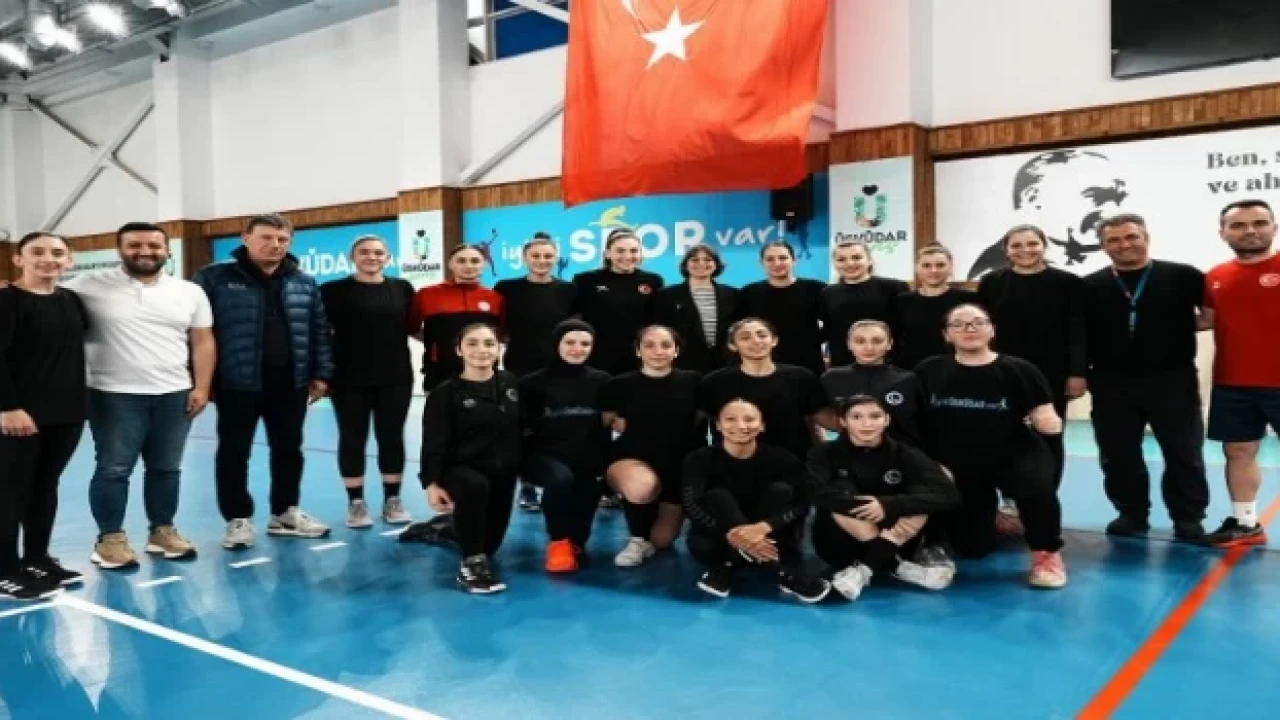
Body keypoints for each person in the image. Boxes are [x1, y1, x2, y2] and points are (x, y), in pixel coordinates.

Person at [64, 223, 214, 571]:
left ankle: (162, 531)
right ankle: (109, 540)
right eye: (135, 245)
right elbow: (40, 295)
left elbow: (203, 341)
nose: (145, 251)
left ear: (167, 251)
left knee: (166, 468)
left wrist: (202, 386)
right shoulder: (86, 285)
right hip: (112, 394)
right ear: (119, 250)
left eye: (153, 245)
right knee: (114, 468)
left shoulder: (189, 292)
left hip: (174, 393)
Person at [193, 213, 335, 550]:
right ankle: (237, 518)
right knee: (234, 451)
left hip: (290, 381)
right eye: (267, 238)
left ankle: (284, 512)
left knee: (289, 449)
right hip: (236, 381)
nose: (275, 245)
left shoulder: (303, 281)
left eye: (282, 239)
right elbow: (196, 332)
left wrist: (321, 374)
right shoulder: (214, 278)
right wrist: (201, 380)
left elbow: (319, 331)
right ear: (245, 238)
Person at [914, 303, 1068, 589]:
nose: (969, 328)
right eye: (958, 324)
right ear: (947, 335)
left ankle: (1046, 553)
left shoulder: (1020, 370)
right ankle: (993, 518)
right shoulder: (929, 370)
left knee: (1036, 489)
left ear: (992, 330)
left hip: (1011, 455)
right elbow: (915, 419)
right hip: (959, 464)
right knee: (972, 548)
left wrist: (1047, 439)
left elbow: (1047, 420)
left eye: (978, 322)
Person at [1081, 213, 1209, 540]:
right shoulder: (1088, 285)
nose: (1124, 245)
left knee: (1183, 451)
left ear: (1146, 238)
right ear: (1103, 246)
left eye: (1131, 237)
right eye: (1114, 240)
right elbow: (1079, 335)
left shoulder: (1184, 276)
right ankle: (1131, 513)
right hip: (1111, 382)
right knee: (1117, 452)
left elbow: (1210, 316)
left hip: (1172, 379)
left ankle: (1188, 517)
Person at [806, 395, 962, 601]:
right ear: (842, 421)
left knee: (928, 486)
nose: (866, 424)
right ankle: (896, 566)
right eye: (856, 417)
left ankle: (863, 570)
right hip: (839, 545)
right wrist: (864, 505)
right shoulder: (824, 453)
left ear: (887, 420)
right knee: (839, 491)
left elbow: (950, 496)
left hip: (897, 539)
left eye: (875, 416)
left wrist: (887, 504)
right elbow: (812, 491)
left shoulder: (905, 453)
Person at [0, 232, 86, 600]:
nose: (47, 258)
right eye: (37, 252)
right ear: (18, 259)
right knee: (10, 491)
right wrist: (7, 407)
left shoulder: (71, 300)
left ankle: (37, 558)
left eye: (57, 252)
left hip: (65, 412)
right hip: (18, 414)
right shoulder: (6, 301)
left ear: (68, 261)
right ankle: (5, 570)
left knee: (44, 487)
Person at [682, 399, 831, 603]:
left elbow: (805, 502)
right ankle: (781, 573)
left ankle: (726, 568)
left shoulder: (782, 458)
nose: (741, 426)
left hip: (774, 540)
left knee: (781, 491)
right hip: (717, 542)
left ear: (762, 426)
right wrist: (734, 534)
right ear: (718, 425)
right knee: (717, 497)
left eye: (749, 419)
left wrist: (764, 527)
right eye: (730, 419)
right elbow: (691, 505)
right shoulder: (698, 459)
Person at [977, 224, 1088, 488]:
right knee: (1001, 434)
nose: (1025, 250)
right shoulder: (992, 283)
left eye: (1032, 244)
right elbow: (982, 328)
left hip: (1051, 371)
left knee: (1047, 433)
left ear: (1044, 246)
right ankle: (1008, 501)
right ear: (1006, 250)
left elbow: (1078, 330)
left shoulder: (1068, 283)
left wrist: (1078, 372)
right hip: (1001, 371)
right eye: (1016, 245)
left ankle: (1046, 496)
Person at [319, 235, 416, 530]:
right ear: (352, 257)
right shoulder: (332, 291)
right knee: (352, 438)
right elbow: (320, 335)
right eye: (364, 252)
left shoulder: (402, 288)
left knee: (391, 437)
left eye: (378, 252)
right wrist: (320, 374)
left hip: (395, 376)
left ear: (388, 257)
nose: (371, 257)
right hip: (349, 378)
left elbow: (415, 328)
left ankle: (392, 499)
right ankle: (356, 502)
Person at [419, 323, 523, 594]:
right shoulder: (445, 393)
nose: (482, 350)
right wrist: (432, 483)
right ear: (459, 350)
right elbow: (433, 442)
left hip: (502, 472)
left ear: (499, 349)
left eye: (489, 343)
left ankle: (442, 530)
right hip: (461, 469)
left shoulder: (510, 383)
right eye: (472, 343)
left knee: (489, 546)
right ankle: (471, 567)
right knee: (475, 490)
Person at [1201, 199, 1280, 548]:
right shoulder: (1215, 276)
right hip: (1233, 382)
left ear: (1274, 227)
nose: (1250, 230)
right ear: (1223, 233)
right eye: (1238, 225)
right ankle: (1247, 523)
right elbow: (1206, 320)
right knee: (1238, 451)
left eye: (1259, 223)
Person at [600, 325, 704, 567]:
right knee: (642, 487)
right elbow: (604, 426)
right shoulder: (618, 385)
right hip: (632, 462)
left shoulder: (694, 382)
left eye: (666, 345)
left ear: (676, 350)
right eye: (649, 345)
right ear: (638, 351)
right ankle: (637, 539)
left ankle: (653, 530)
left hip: (676, 466)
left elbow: (703, 420)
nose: (658, 351)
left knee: (661, 541)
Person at [518, 320, 612, 572]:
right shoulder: (531, 384)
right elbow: (518, 427)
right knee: (560, 479)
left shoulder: (602, 381)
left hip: (585, 454)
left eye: (585, 344)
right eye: (570, 342)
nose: (577, 349)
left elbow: (607, 425)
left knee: (589, 485)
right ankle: (558, 540)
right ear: (556, 344)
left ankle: (576, 542)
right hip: (544, 456)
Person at [494, 233, 577, 513]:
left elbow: (574, 329)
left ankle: (559, 479)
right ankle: (527, 484)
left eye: (548, 256)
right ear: (525, 258)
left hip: (557, 368)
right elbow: (497, 326)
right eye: (536, 256)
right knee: (524, 426)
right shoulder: (507, 288)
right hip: (519, 367)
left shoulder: (568, 290)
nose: (542, 261)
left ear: (556, 258)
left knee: (557, 424)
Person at [699, 318, 834, 462]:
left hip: (792, 461)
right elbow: (698, 421)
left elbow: (825, 418)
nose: (756, 341)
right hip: (733, 462)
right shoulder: (714, 382)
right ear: (732, 345)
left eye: (762, 335)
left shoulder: (801, 377)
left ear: (774, 340)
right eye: (745, 337)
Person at [411, 244, 505, 394]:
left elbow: (503, 333)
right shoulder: (427, 294)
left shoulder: (495, 298)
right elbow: (412, 327)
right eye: (461, 261)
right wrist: (437, 345)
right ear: (450, 264)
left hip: (484, 374)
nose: (468, 266)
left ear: (484, 265)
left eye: (475, 261)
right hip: (439, 373)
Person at [572, 228, 665, 375]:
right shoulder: (585, 280)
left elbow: (658, 321)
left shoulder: (653, 281)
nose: (627, 256)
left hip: (639, 357)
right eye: (620, 251)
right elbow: (574, 319)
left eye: (633, 251)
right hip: (597, 358)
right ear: (608, 254)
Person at [820, 320, 925, 446]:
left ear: (889, 344)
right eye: (860, 341)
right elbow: (819, 417)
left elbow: (924, 423)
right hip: (849, 452)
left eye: (877, 341)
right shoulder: (831, 379)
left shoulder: (909, 380)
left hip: (901, 451)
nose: (869, 347)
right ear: (849, 344)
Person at [735, 241, 826, 377]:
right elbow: (740, 331)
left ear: (794, 260)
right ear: (761, 263)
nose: (777, 263)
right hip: (763, 365)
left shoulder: (816, 289)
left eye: (783, 258)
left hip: (809, 364)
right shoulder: (749, 293)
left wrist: (813, 340)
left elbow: (832, 324)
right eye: (770, 259)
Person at [819, 241, 910, 368]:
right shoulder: (828, 293)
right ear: (834, 263)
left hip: (890, 365)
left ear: (869, 260)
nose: (850, 263)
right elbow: (828, 330)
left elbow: (905, 328)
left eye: (856, 257)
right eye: (841, 259)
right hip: (843, 366)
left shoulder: (894, 288)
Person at [652, 244, 737, 375]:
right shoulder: (666, 295)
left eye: (708, 259)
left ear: (716, 264)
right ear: (685, 265)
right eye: (695, 260)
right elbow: (660, 330)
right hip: (684, 364)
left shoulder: (733, 294)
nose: (701, 263)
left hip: (725, 364)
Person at [891, 244, 978, 371]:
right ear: (917, 268)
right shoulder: (902, 301)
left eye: (940, 265)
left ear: (950, 267)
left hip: (959, 368)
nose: (934, 270)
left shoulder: (969, 299)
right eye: (926, 265)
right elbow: (896, 338)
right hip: (911, 369)